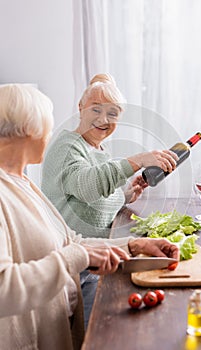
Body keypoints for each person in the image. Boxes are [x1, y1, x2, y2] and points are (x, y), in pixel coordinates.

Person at [0, 84, 179, 349]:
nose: (50, 135)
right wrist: (79, 257)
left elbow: (69, 241)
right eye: (47, 127)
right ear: (28, 129)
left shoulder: (22, 182)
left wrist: (132, 245)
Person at [41, 73, 178, 328]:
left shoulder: (97, 149)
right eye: (96, 109)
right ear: (80, 108)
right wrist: (138, 160)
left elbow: (94, 198)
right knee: (103, 332)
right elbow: (88, 186)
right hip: (77, 267)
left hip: (99, 258)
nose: (104, 120)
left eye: (113, 113)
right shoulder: (67, 147)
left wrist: (126, 194)